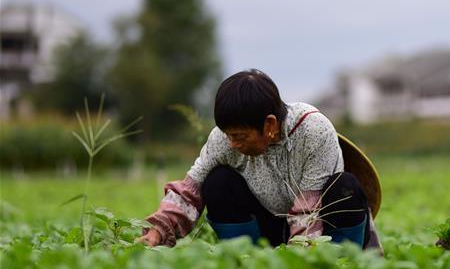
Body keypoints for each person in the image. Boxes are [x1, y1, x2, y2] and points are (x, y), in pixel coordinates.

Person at [138, 69, 381, 250]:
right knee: (217, 183)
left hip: (323, 227)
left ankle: (343, 265)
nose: (232, 143)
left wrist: (301, 265)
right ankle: (247, 260)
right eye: (229, 135)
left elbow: (309, 212)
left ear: (269, 124)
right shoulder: (223, 140)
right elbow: (190, 188)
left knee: (346, 188)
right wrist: (159, 229)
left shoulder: (313, 132)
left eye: (240, 136)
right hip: (269, 227)